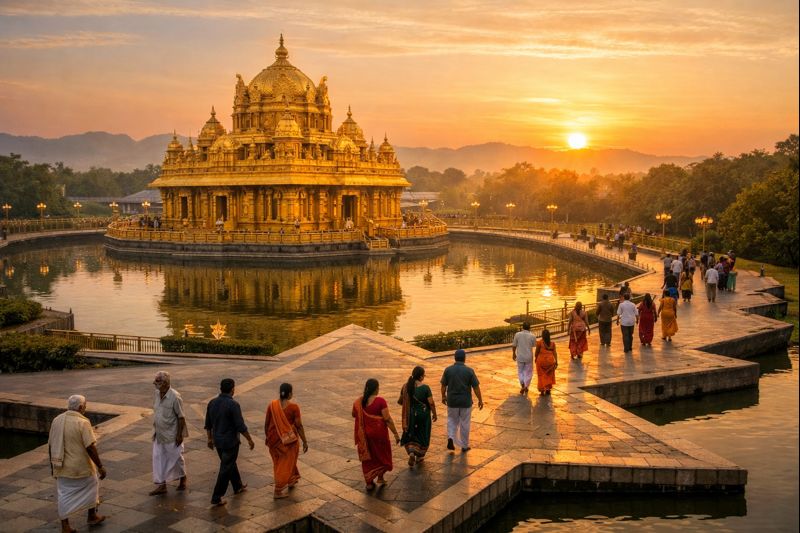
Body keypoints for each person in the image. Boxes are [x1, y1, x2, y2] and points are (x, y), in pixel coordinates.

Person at [48, 395, 107, 533]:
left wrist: (52, 467)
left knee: (64, 495)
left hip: (61, 466)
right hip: (80, 467)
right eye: (85, 405)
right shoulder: (83, 422)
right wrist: (100, 466)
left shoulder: (57, 420)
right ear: (80, 407)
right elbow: (90, 447)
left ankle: (65, 526)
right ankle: (91, 516)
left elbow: (51, 445)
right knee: (93, 484)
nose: (85, 408)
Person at [204, 378, 255, 506]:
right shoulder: (233, 405)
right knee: (225, 468)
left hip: (218, 442)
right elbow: (240, 426)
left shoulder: (212, 403)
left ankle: (237, 486)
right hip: (230, 442)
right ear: (232, 389)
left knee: (229, 463)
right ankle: (216, 496)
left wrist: (210, 439)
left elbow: (208, 424)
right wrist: (249, 439)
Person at [352, 379, 400, 490]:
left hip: (365, 436)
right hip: (380, 434)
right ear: (376, 389)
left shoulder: (359, 402)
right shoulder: (380, 401)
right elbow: (387, 419)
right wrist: (396, 434)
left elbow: (354, 414)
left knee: (368, 457)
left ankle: (369, 482)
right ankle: (380, 477)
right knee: (382, 455)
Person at [264, 383, 308, 499]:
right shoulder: (294, 407)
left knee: (280, 462)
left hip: (273, 440)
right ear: (289, 394)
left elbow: (266, 423)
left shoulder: (272, 405)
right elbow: (299, 426)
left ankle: (291, 480)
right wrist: (305, 441)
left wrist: (267, 437)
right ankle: (278, 490)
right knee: (284, 464)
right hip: (288, 442)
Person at [150, 371, 188, 496]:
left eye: (157, 381)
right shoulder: (157, 393)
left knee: (176, 458)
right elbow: (157, 412)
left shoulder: (175, 397)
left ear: (165, 383)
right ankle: (162, 485)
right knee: (158, 459)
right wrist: (155, 430)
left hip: (172, 434)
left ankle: (183, 479)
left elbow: (181, 418)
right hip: (159, 433)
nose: (154, 383)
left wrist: (179, 435)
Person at [440, 349, 484, 452]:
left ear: (455, 358)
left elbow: (443, 386)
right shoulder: (469, 371)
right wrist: (480, 400)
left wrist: (443, 396)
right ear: (464, 358)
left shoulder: (448, 370)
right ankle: (464, 446)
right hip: (465, 402)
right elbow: (476, 387)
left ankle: (451, 437)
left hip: (452, 401)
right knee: (465, 423)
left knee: (451, 420)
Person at [398, 366, 437, 467]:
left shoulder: (405, 386)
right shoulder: (425, 388)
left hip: (411, 415)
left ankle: (411, 453)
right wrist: (434, 413)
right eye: (424, 375)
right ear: (420, 377)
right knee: (423, 433)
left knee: (411, 432)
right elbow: (431, 403)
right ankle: (419, 456)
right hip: (423, 415)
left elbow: (400, 401)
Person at [511, 322, 536, 394]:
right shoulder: (532, 336)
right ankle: (526, 386)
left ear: (522, 327)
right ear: (530, 328)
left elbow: (514, 345)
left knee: (520, 371)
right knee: (528, 372)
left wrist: (513, 354)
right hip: (528, 357)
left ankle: (523, 385)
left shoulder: (517, 334)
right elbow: (534, 345)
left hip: (520, 356)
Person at [534, 329, 558, 395]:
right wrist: (556, 361)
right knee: (549, 375)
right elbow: (555, 353)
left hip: (541, 361)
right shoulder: (552, 344)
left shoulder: (539, 343)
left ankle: (542, 390)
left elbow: (536, 352)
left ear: (542, 336)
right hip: (550, 362)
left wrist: (536, 358)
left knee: (541, 375)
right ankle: (548, 389)